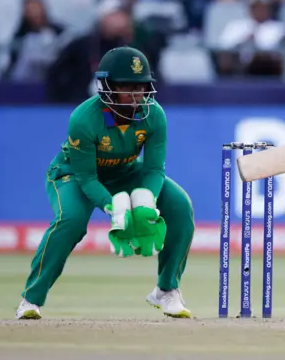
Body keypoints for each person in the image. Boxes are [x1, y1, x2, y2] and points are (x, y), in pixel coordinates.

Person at [16, 46, 195, 320]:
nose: (136, 96)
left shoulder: (154, 114)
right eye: (128, 87)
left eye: (141, 87)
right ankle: (31, 299)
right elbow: (87, 178)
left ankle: (166, 289)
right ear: (107, 87)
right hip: (72, 174)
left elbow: (154, 169)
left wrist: (145, 202)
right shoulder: (84, 119)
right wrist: (115, 208)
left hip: (123, 171)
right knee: (71, 221)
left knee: (180, 207)